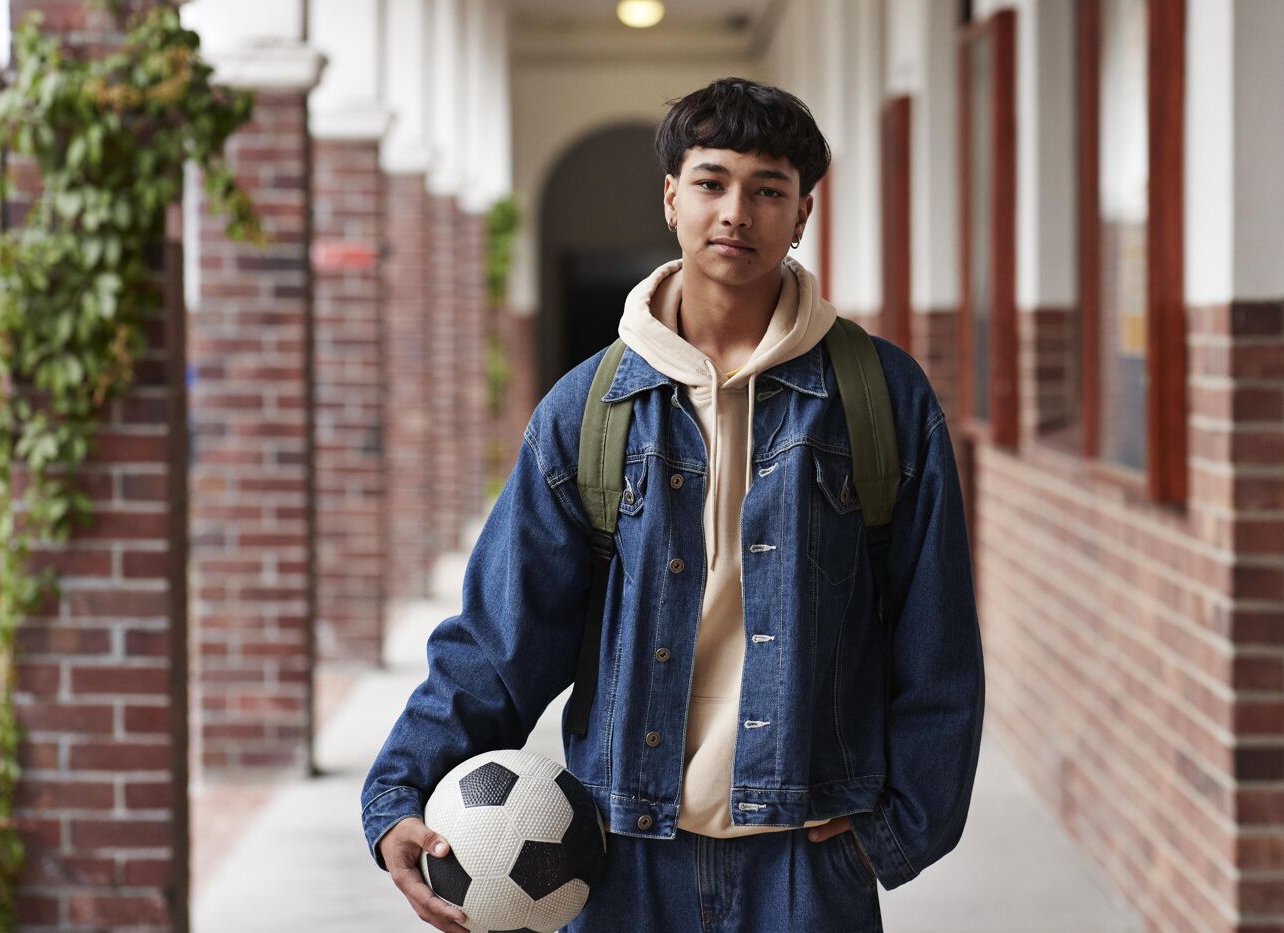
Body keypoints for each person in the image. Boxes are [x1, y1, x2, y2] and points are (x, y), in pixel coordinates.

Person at [361, 76, 984, 933]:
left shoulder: (880, 397)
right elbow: (501, 635)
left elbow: (937, 631)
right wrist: (400, 788)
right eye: (711, 181)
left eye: (769, 190)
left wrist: (897, 828)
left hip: (807, 857)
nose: (737, 211)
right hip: (623, 858)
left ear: (802, 214)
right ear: (671, 198)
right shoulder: (587, 410)